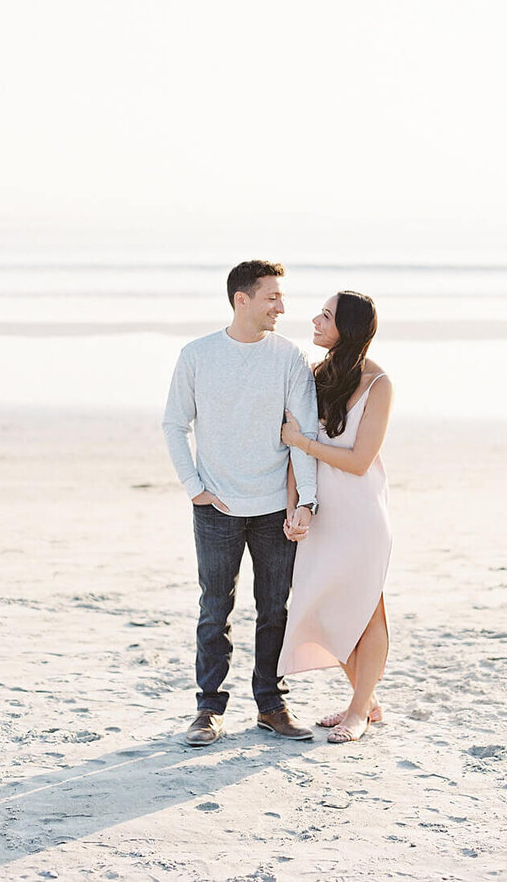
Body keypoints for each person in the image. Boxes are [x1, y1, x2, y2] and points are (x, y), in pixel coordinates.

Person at [163, 260, 319, 746]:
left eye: (282, 297)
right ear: (242, 299)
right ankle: (208, 710)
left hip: (275, 508)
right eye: (272, 296)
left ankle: (271, 705)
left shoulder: (289, 357)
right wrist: (194, 487)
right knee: (215, 609)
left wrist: (306, 502)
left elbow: (303, 435)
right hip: (217, 509)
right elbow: (174, 424)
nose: (281, 306)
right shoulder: (197, 355)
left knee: (275, 610)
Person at [278, 290, 392, 744]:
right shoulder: (314, 375)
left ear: (348, 327)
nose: (316, 320)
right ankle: (366, 700)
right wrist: (296, 506)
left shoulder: (379, 384)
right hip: (322, 516)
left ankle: (360, 711)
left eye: (326, 316)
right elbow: (293, 454)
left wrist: (303, 442)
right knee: (324, 609)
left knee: (366, 610)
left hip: (362, 514)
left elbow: (360, 460)